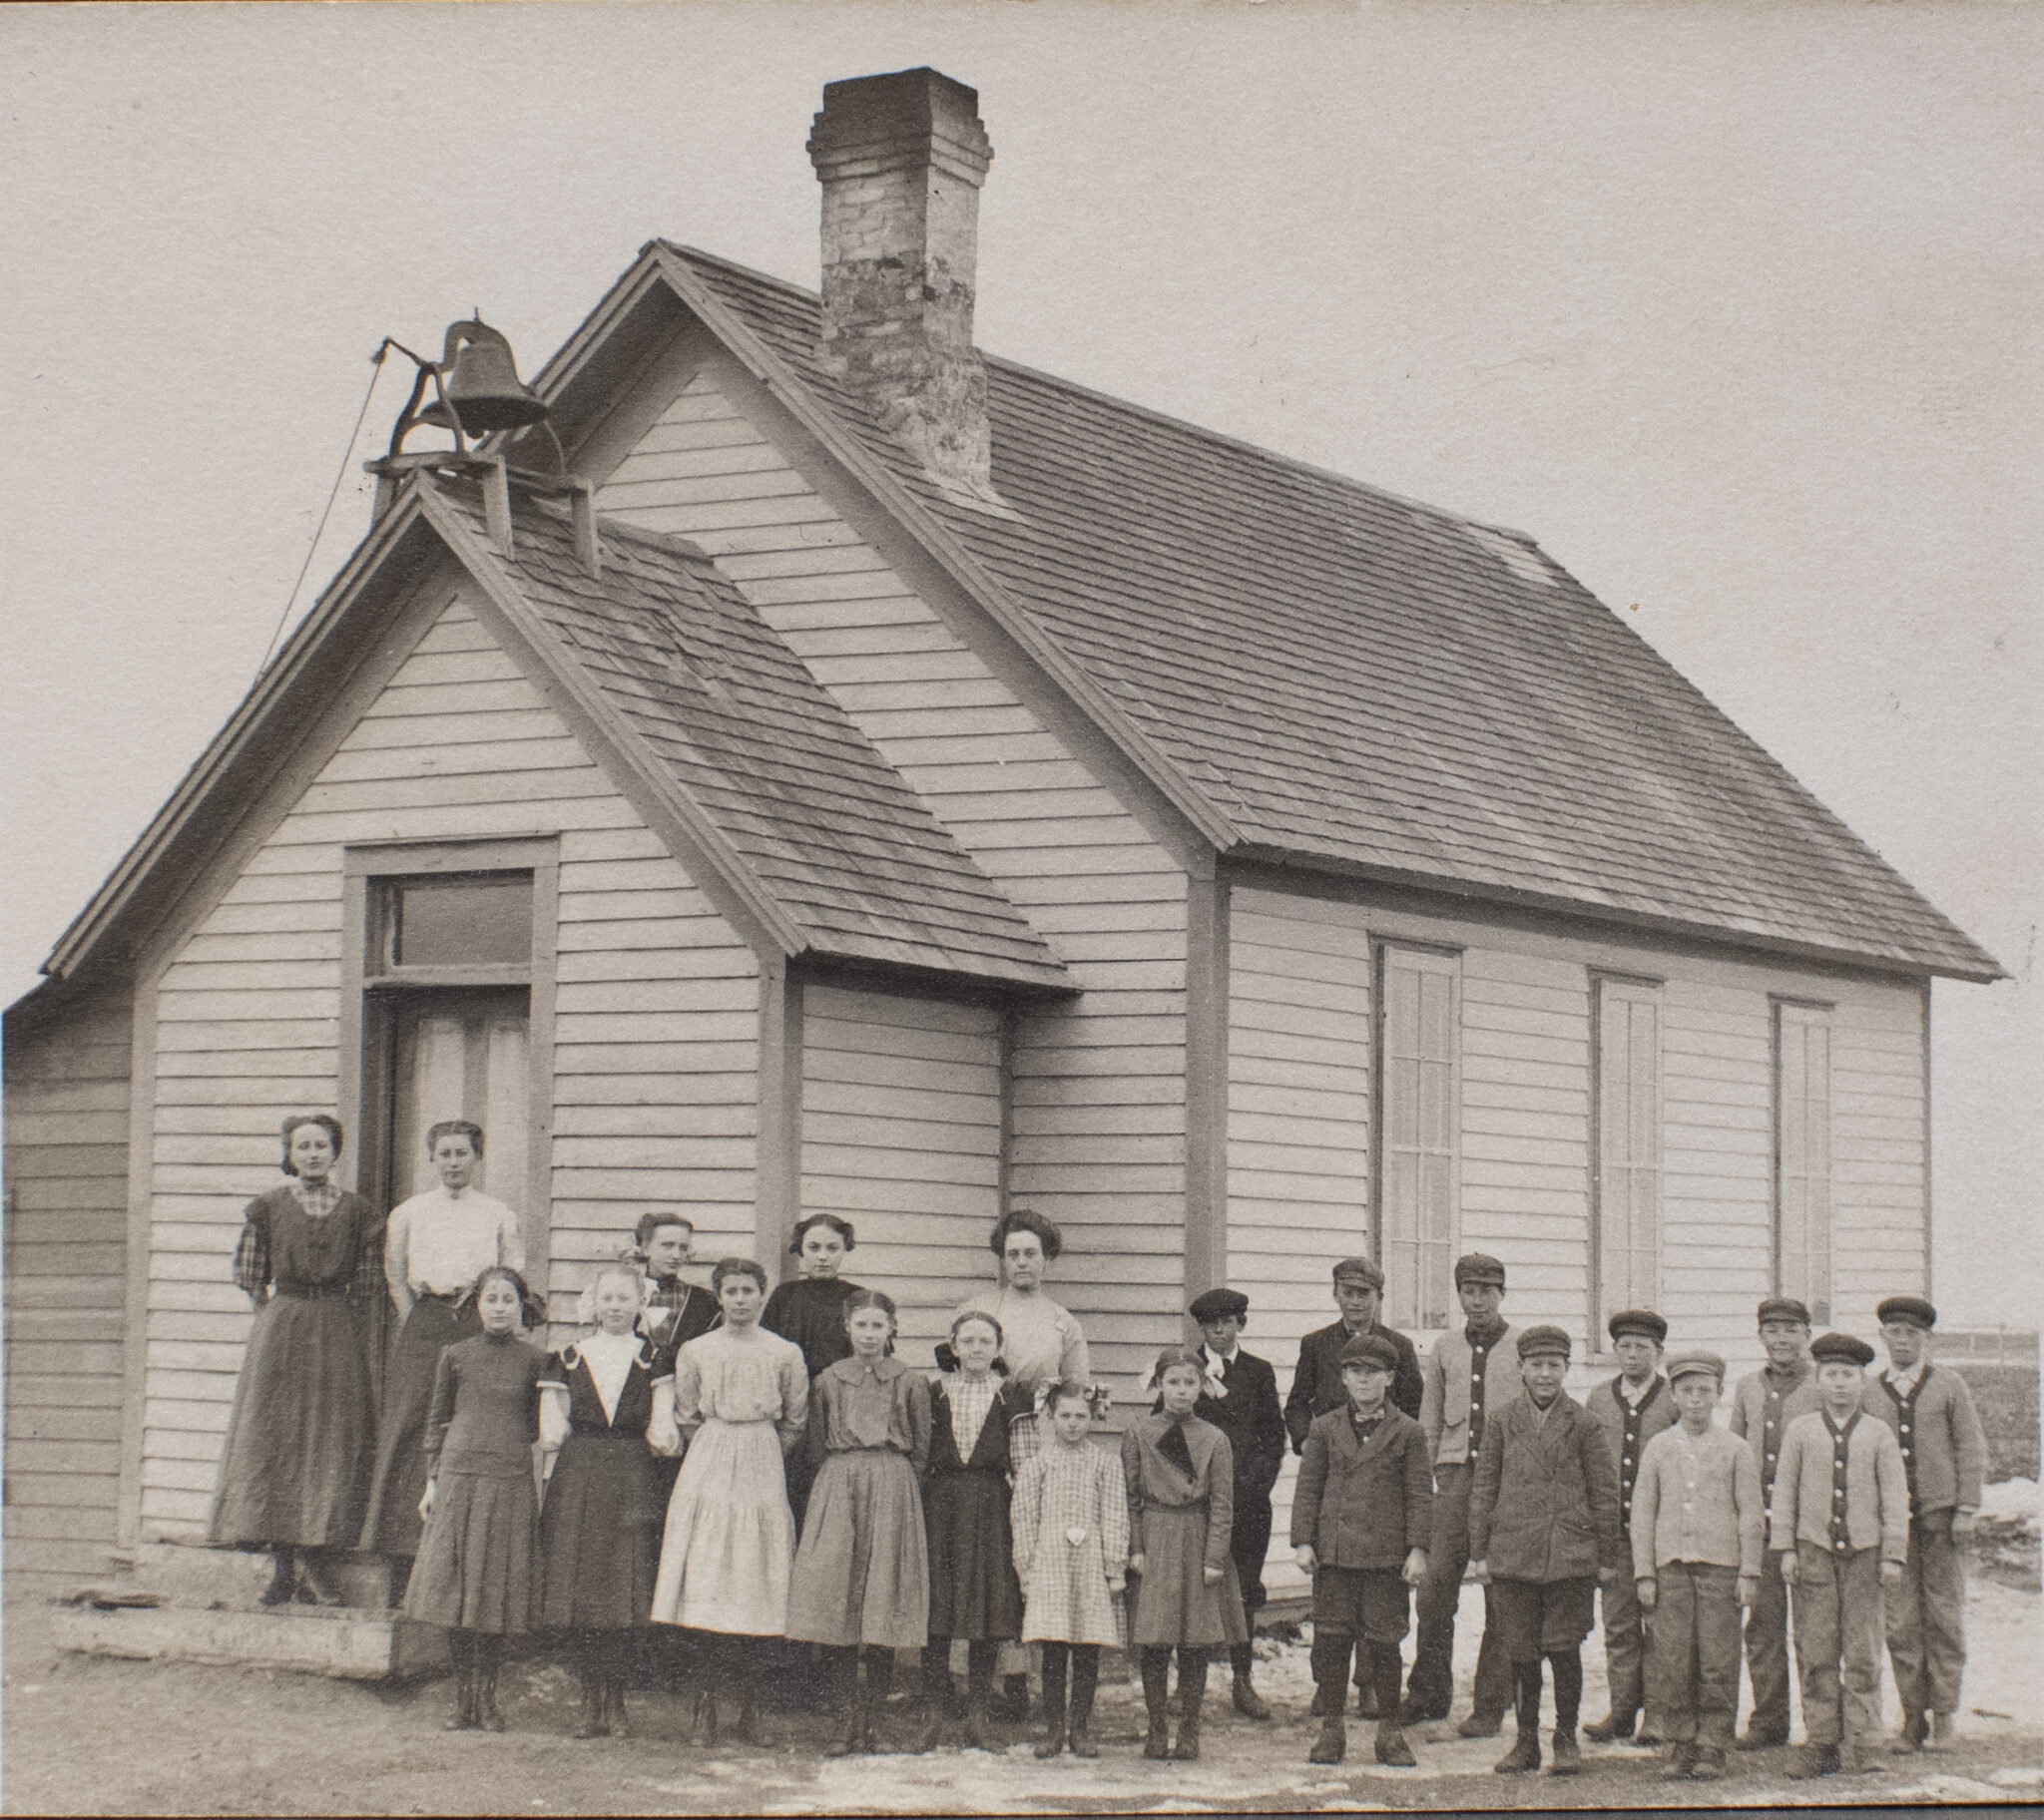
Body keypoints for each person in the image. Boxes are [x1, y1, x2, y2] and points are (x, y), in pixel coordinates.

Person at [209, 1114, 381, 1607]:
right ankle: (282, 1567)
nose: (312, 1154)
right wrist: (274, 1318)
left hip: (335, 1330)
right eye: (303, 1146)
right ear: (290, 1153)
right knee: (276, 1440)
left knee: (329, 1438)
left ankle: (316, 1562)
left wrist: (333, 1318)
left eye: (321, 1146)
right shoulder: (268, 1208)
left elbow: (369, 1283)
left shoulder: (357, 1211)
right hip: (282, 1329)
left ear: (335, 1153)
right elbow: (248, 1273)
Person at [649, 1256, 809, 1746]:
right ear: (718, 1297)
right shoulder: (697, 1349)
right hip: (711, 1456)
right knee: (707, 1575)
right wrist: (721, 1442)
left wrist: (757, 1447)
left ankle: (752, 1709)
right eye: (731, 1292)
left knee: (756, 1579)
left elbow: (795, 1419)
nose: (740, 1300)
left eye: (749, 1291)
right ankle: (704, 1709)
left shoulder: (784, 1352)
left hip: (761, 1454)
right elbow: (687, 1412)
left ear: (763, 1295)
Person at [360, 1122, 524, 1579]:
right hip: (426, 1320)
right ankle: (400, 1551)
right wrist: (421, 1314)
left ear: (477, 1158)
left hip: (476, 1321)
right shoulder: (410, 1212)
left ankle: (459, 1547)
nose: (453, 1163)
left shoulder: (497, 1213)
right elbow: (395, 1272)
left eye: (462, 1154)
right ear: (431, 1159)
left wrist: (480, 1314)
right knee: (413, 1422)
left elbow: (511, 1275)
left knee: (469, 1422)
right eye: (445, 1154)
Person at [404, 1265, 554, 1732]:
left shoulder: (535, 1359)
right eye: (490, 1299)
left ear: (521, 1306)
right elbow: (436, 1422)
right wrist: (432, 1482)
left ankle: (488, 1701)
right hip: (458, 1478)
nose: (499, 1308)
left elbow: (537, 1424)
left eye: (508, 1300)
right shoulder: (454, 1355)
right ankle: (462, 1700)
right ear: (476, 1306)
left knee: (492, 1592)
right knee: (456, 1589)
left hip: (508, 1479)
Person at [1469, 1324, 1624, 1777]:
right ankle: (1526, 1743)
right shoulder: (1500, 1421)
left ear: (1565, 1369)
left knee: (1564, 1649)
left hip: (1568, 1557)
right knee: (1521, 1651)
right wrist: (1480, 1551)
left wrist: (1607, 1557)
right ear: (1520, 1369)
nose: (1544, 1375)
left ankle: (1566, 1739)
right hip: (1514, 1554)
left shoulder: (1585, 1423)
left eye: (1554, 1366)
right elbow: (1484, 1488)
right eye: (1536, 1365)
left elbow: (1604, 1493)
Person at [787, 1290, 935, 1757]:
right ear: (846, 1328)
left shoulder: (910, 1381)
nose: (870, 1335)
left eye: (878, 1326)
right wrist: (841, 1479)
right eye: (861, 1326)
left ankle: (874, 1721)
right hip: (839, 1480)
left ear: (892, 1328)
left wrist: (896, 1484)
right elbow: (815, 1445)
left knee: (883, 1597)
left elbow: (923, 1447)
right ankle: (843, 1719)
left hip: (893, 1483)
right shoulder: (829, 1379)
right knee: (838, 1595)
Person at [958, 1206, 1092, 1718]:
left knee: (1030, 1550)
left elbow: (1076, 1390)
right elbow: (961, 1373)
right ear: (1001, 1259)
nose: (1021, 1263)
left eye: (1031, 1254)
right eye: (1012, 1254)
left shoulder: (1063, 1321)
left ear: (1047, 1259)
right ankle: (980, 1677)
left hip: (1039, 1439)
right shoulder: (979, 1308)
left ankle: (1023, 1680)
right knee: (992, 1551)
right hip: (986, 1434)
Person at [538, 1261, 676, 1739]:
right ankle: (588, 1702)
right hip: (581, 1473)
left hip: (633, 1474)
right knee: (584, 1587)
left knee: (624, 1587)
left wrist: (656, 1439)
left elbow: (663, 1431)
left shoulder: (654, 1358)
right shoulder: (570, 1357)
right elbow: (553, 1430)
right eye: (607, 1298)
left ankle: (615, 1701)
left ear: (639, 1305)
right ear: (593, 1304)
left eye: (625, 1299)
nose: (615, 1307)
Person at [1290, 1332, 1432, 1768]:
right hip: (1334, 1557)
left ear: (1390, 1378)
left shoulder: (1408, 1432)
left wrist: (1418, 1549)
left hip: (1385, 1559)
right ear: (1344, 1378)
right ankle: (1332, 1730)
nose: (1364, 1381)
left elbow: (1420, 1495)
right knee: (1332, 1642)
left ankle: (1390, 1732)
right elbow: (1309, 1488)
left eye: (1373, 1373)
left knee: (1384, 1644)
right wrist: (1303, 1541)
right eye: (1355, 1372)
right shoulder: (1324, 1427)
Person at [1773, 1330, 1909, 1780]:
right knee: (1817, 1651)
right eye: (1831, 1374)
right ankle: (1821, 1742)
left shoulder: (1878, 1433)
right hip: (1814, 1556)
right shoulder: (1800, 1431)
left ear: (1862, 1380)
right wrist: (1786, 1548)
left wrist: (1892, 1553)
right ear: (1819, 1380)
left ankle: (1866, 1741)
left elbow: (1895, 1498)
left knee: (1864, 1651)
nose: (1839, 1384)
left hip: (1866, 1559)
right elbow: (1785, 1493)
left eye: (1848, 1375)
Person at [1862, 1295, 1988, 1755]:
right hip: (1893, 1527)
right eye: (1894, 1333)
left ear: (1927, 1339)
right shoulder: (1872, 1391)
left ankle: (1945, 1717)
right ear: (1883, 1338)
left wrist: (1967, 1509)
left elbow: (1970, 1448)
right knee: (1900, 1622)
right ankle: (1912, 1715)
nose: (1902, 1341)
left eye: (1912, 1334)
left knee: (1943, 1618)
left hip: (1941, 1520)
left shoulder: (1948, 1386)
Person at [1631, 1349, 1765, 1782]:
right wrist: (1645, 1572)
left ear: (1718, 1394)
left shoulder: (1736, 1448)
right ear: (1673, 1394)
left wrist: (1749, 1572)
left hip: (1721, 1571)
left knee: (1717, 1660)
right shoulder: (1658, 1447)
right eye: (1687, 1391)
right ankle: (1680, 1743)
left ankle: (1712, 1745)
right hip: (1670, 1570)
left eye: (1704, 1391)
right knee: (1673, 1658)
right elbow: (1643, 1513)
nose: (1695, 1400)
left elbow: (1750, 1513)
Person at [1403, 1251, 1520, 1733]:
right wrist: (1427, 1475)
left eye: (1487, 1292)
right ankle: (1429, 1693)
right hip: (1452, 1479)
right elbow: (1429, 1418)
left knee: (1501, 1592)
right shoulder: (1446, 1349)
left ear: (1501, 1294)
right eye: (1468, 1292)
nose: (1477, 1301)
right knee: (1433, 1591)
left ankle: (1492, 1703)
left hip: (1505, 1482)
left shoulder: (1520, 1347)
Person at [1157, 1287, 1285, 1720]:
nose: (1218, 1330)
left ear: (1240, 1325)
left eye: (1227, 1322)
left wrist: (1250, 1488)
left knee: (1244, 1592)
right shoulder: (1182, 1371)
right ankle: (1184, 1685)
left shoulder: (1258, 1372)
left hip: (1247, 1505)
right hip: (1194, 1509)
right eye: (1210, 1323)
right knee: (1189, 1591)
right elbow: (1164, 1436)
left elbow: (1273, 1439)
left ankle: (1243, 1682)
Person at [1125, 1346, 1247, 1763]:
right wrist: (1136, 1548)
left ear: (1202, 1387)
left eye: (1189, 1383)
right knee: (1155, 1642)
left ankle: (1189, 1729)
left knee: (1195, 1643)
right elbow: (1131, 1498)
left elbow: (1223, 1504)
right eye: (1172, 1382)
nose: (1180, 1391)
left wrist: (1215, 1556)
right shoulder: (1139, 1432)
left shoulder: (1214, 1438)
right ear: (1158, 1385)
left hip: (1197, 1541)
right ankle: (1157, 1727)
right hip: (1156, 1541)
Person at [920, 1311, 1029, 1749]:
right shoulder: (933, 1392)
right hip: (941, 1504)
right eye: (968, 1340)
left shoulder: (1010, 1395)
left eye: (986, 1341)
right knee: (938, 1608)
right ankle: (933, 1714)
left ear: (998, 1348)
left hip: (990, 1505)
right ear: (953, 1344)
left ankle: (978, 1716)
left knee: (986, 1608)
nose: (977, 1349)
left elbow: (1022, 1463)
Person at [1727, 1295, 1822, 1749]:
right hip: (1758, 1524)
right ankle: (1769, 1721)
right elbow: (1737, 1454)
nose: (1781, 1339)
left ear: (1806, 1336)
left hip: (1807, 1526)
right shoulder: (1748, 1386)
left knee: (1812, 1628)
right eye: (1772, 1331)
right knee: (1762, 1626)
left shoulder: (1823, 1384)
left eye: (1791, 1331)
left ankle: (1821, 1723)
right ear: (1760, 1335)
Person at [1012, 1380, 1126, 1760]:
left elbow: (1114, 1515)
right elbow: (1024, 1518)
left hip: (1090, 1563)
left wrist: (1114, 1567)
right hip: (1051, 1565)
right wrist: (1026, 1569)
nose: (1073, 1423)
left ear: (1093, 1417)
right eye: (1065, 1415)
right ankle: (1053, 1729)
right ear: (1050, 1416)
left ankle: (1081, 1728)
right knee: (1054, 1649)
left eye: (1081, 1416)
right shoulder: (1038, 1464)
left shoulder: (1105, 1463)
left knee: (1087, 1648)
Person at [1582, 1307, 1677, 1744]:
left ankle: (1657, 1714)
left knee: (1658, 1625)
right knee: (1619, 1625)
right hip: (1614, 1532)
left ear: (1658, 1352)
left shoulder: (1675, 1398)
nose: (1633, 1354)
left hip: (1662, 1534)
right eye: (1625, 1346)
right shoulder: (1599, 1399)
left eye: (1643, 1347)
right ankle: (1622, 1710)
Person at [762, 1212, 865, 1538]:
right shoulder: (785, 1296)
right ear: (801, 1250)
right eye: (814, 1247)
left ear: (844, 1250)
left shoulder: (857, 1299)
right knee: (793, 1486)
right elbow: (766, 1351)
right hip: (792, 1407)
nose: (823, 1256)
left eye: (832, 1248)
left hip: (840, 1407)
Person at [636, 1213, 720, 1354]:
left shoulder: (703, 1301)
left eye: (683, 1248)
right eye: (667, 1246)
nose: (676, 1255)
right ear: (645, 1248)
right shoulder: (624, 1294)